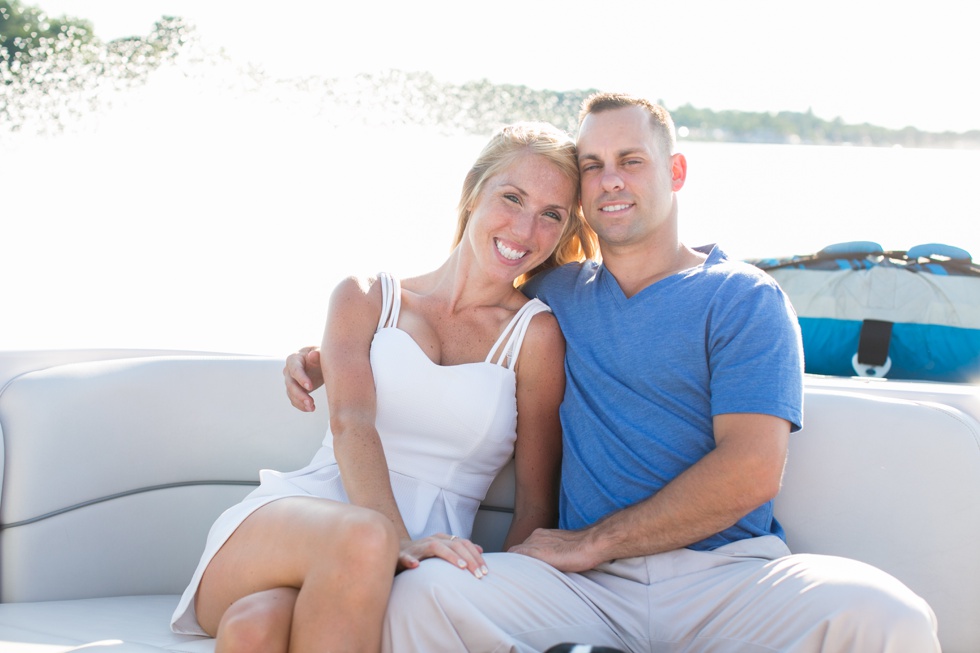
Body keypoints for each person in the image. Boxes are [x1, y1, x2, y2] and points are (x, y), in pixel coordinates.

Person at [284, 94, 940, 652]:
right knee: (420, 596)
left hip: (726, 578)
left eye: (631, 160)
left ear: (675, 170)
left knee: (892, 617)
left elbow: (752, 467)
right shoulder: (555, 293)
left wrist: (594, 541)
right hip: (583, 591)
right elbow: (461, 301)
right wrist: (335, 354)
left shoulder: (744, 298)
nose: (610, 179)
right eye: (593, 165)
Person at [171, 121, 598, 653]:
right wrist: (395, 537)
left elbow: (536, 500)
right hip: (298, 522)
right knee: (364, 538)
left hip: (422, 564)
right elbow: (351, 422)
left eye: (551, 215)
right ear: (472, 192)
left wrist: (501, 594)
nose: (524, 228)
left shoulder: (535, 336)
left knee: (256, 627)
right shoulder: (367, 295)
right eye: (512, 197)